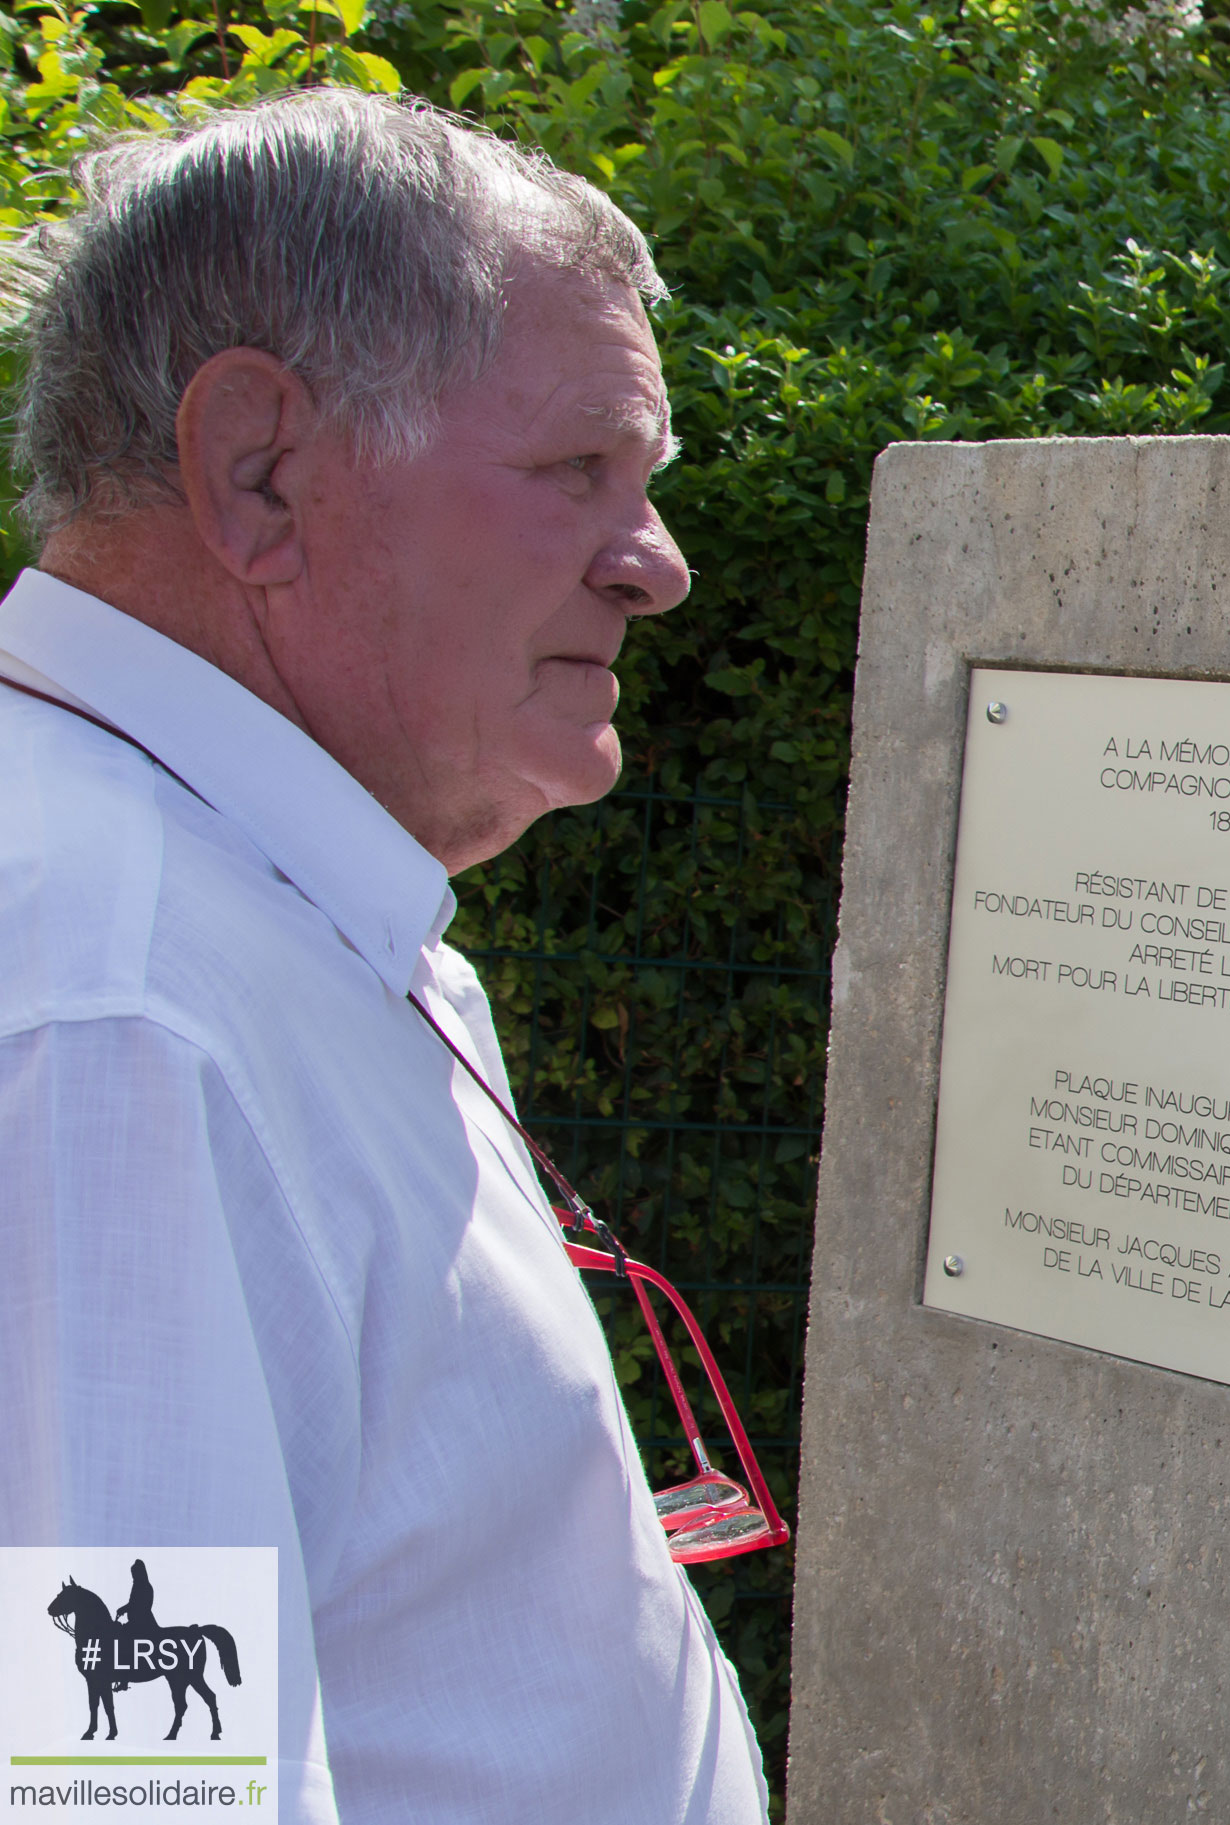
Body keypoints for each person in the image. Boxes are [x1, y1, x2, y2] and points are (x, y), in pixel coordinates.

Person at [0, 91, 767, 1820]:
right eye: (579, 467)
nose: (659, 565)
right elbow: (130, 1789)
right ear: (259, 470)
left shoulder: (224, 892)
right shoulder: (115, 1009)